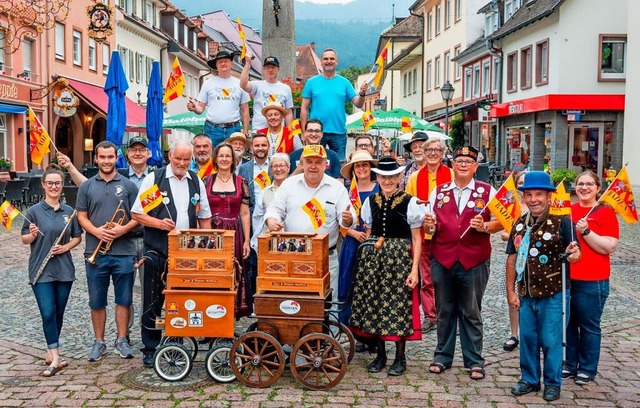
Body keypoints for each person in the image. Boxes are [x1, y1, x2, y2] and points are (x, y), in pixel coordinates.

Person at [131, 140, 212, 367]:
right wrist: (158, 223)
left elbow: (204, 216)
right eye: (179, 159)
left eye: (187, 160)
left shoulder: (195, 180)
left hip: (186, 251)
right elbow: (137, 213)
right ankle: (149, 346)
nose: (182, 163)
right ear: (170, 156)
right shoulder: (155, 180)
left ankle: (177, 340)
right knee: (152, 299)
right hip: (157, 249)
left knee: (182, 299)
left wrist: (206, 243)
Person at [423, 146, 501, 380]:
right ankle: (442, 356)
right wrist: (430, 226)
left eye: (469, 160)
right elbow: (429, 227)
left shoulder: (487, 191)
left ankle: (474, 360)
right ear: (452, 165)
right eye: (459, 160)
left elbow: (504, 220)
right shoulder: (439, 191)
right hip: (443, 258)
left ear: (476, 166)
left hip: (474, 260)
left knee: (470, 310)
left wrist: (485, 226)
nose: (464, 164)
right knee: (444, 310)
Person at [506, 171, 581, 401]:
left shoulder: (563, 222)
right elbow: (511, 258)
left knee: (551, 340)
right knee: (528, 339)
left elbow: (576, 254)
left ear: (548, 196)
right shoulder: (519, 224)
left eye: (539, 194)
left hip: (554, 293)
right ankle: (529, 379)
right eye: (529, 194)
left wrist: (572, 254)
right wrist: (511, 291)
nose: (534, 199)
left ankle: (552, 383)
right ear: (524, 197)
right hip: (526, 293)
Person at [349, 156, 423, 376]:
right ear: (377, 177)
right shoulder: (370, 201)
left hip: (400, 258)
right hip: (375, 258)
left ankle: (400, 358)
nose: (387, 180)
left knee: (398, 306)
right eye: (383, 176)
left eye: (392, 176)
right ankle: (380, 355)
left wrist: (414, 269)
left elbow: (417, 239)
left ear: (400, 177)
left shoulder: (411, 202)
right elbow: (370, 233)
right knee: (375, 304)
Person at [265, 145, 356, 303]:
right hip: (294, 254)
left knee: (329, 300)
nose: (313, 166)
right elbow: (274, 209)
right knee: (296, 298)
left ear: (325, 164)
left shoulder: (337, 188)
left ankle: (331, 329)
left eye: (318, 162)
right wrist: (272, 220)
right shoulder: (289, 184)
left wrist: (348, 219)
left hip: (327, 257)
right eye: (309, 162)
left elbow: (348, 216)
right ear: (301, 163)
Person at [76, 141, 140, 361]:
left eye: (110, 157)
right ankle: (99, 341)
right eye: (102, 157)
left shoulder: (129, 185)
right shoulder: (86, 186)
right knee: (97, 300)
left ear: (116, 158)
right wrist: (97, 231)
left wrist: (121, 230)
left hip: (124, 251)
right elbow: (81, 216)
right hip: (95, 251)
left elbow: (138, 217)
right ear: (96, 159)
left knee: (124, 299)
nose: (106, 161)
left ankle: (122, 340)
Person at [21, 164, 82, 377]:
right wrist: (33, 235)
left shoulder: (69, 212)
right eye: (50, 183)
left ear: (62, 185)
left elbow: (77, 237)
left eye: (57, 183)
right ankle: (56, 359)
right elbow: (24, 239)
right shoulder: (33, 212)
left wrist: (65, 247)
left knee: (58, 313)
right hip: (41, 269)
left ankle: (51, 351)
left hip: (64, 269)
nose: (54, 186)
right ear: (43, 185)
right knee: (47, 312)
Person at [565, 171, 619, 385]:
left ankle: (587, 368)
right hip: (568, 278)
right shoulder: (569, 210)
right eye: (580, 184)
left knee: (588, 325)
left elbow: (608, 247)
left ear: (598, 188)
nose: (584, 188)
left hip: (592, 278)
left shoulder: (605, 213)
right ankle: (569, 364)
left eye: (589, 184)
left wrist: (587, 232)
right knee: (568, 323)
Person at [405, 138, 453, 333]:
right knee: (426, 278)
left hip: (446, 237)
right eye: (429, 150)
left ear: (442, 154)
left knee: (448, 278)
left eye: (437, 150)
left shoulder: (451, 174)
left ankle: (448, 315)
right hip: (424, 237)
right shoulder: (415, 177)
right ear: (423, 153)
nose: (433, 153)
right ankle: (430, 315)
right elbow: (409, 204)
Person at [204, 143, 252, 318]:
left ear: (233, 160)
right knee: (213, 274)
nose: (224, 159)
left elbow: (245, 213)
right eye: (221, 155)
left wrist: (247, 240)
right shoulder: (207, 180)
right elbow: (201, 212)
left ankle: (230, 316)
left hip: (234, 233)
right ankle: (211, 316)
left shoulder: (241, 182)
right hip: (212, 233)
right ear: (216, 159)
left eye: (228, 156)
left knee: (233, 274)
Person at [300, 48, 367, 162]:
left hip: (339, 132)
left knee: (339, 166)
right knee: (314, 163)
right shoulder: (311, 82)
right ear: (321, 61)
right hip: (316, 132)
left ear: (337, 62)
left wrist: (362, 94)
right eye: (326, 59)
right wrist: (304, 132)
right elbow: (304, 108)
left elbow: (358, 103)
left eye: (332, 59)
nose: (329, 61)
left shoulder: (344, 82)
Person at [337, 150, 378, 327]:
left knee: (370, 286)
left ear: (371, 168)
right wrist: (352, 232)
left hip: (374, 243)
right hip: (352, 242)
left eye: (365, 165)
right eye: (358, 165)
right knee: (348, 284)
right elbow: (335, 219)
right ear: (353, 169)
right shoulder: (345, 192)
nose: (361, 169)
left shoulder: (379, 189)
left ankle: (369, 330)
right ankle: (348, 327)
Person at [187, 50, 251, 147]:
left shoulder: (240, 84)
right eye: (220, 62)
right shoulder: (208, 84)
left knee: (233, 158)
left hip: (233, 128)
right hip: (212, 128)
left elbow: (245, 110)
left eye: (226, 61)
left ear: (231, 64)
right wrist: (195, 108)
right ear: (216, 65)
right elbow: (200, 108)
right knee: (210, 158)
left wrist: (245, 132)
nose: (223, 63)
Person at [238, 133, 271, 312]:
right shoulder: (244, 168)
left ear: (268, 147)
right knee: (250, 262)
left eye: (263, 145)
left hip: (271, 220)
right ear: (252, 148)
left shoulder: (274, 166)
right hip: (249, 219)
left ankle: (267, 300)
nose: (260, 149)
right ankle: (251, 302)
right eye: (257, 145)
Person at [499, 170, 528, 352]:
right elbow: (503, 233)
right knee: (514, 294)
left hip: (537, 259)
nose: (524, 186)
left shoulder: (542, 204)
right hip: (516, 258)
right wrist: (515, 236)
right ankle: (514, 333)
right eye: (521, 182)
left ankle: (531, 334)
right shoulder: (513, 207)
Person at [240, 52, 294, 130]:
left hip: (278, 132)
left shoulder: (285, 88)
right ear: (264, 70)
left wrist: (289, 132)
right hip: (259, 130)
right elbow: (243, 84)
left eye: (273, 67)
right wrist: (247, 63)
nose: (270, 70)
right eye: (267, 67)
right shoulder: (257, 85)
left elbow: (288, 113)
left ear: (278, 69)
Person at [252, 153, 290, 238]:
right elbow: (257, 218)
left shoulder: (295, 189)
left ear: (288, 168)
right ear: (271, 170)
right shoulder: (265, 192)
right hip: (269, 240)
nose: (278, 169)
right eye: (275, 166)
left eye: (282, 165)